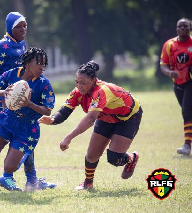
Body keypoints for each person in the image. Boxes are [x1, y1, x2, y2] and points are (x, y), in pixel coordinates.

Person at [0, 47, 56, 201]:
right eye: (39, 63)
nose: (42, 67)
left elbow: (47, 110)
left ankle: (23, 177)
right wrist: (4, 92)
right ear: (28, 63)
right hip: (7, 120)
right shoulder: (12, 73)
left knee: (9, 167)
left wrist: (29, 104)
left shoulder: (43, 83)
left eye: (44, 64)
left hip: (27, 127)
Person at [39, 60, 142, 190]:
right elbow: (65, 111)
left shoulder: (102, 91)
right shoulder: (77, 92)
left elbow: (90, 119)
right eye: (76, 82)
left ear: (94, 80)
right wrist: (52, 119)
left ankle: (132, 157)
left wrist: (69, 137)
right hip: (105, 117)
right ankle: (88, 183)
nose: (79, 86)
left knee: (114, 158)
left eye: (83, 83)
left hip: (128, 117)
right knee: (92, 155)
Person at [0, 11, 55, 192]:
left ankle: (29, 180)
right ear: (10, 27)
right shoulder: (3, 46)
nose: (23, 29)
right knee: (23, 134)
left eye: (25, 25)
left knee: (26, 134)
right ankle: (15, 178)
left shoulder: (21, 45)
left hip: (20, 98)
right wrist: (5, 94)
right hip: (5, 99)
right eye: (19, 26)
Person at [160, 18, 192, 156]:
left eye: (186, 26)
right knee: (189, 113)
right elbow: (163, 64)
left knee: (187, 112)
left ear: (190, 28)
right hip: (178, 84)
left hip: (191, 82)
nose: (182, 28)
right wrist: (169, 73)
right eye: (180, 26)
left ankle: (187, 145)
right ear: (176, 29)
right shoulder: (169, 44)